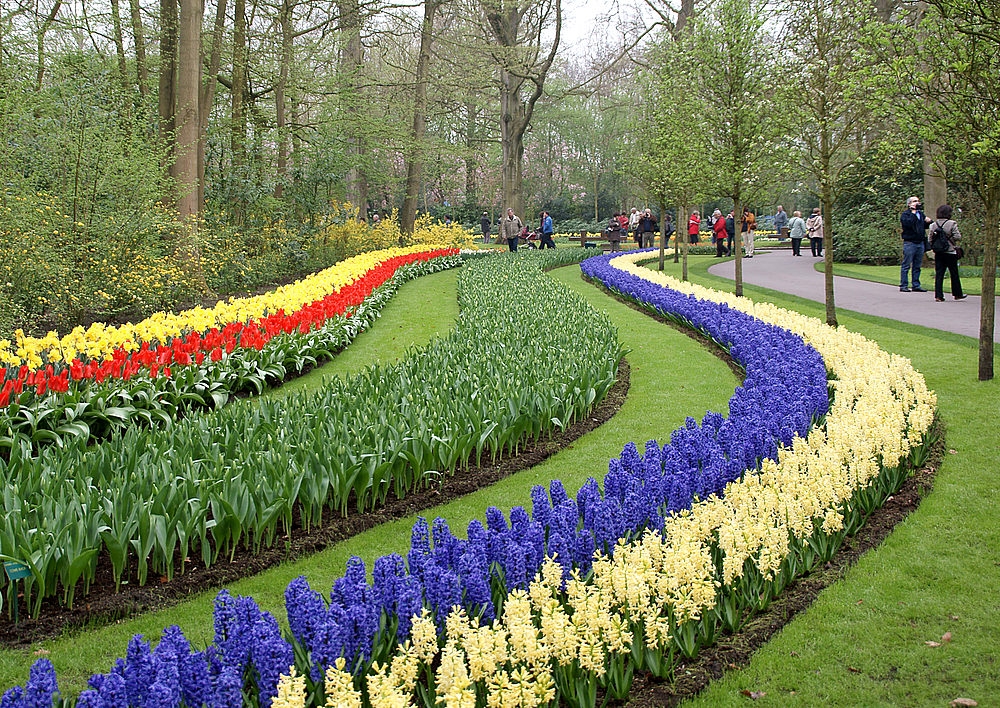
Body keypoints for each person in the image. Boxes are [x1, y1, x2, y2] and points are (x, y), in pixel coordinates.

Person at [928, 204, 967, 302]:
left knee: (939, 274)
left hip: (939, 252)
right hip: (950, 251)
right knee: (954, 273)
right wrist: (950, 240)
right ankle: (957, 293)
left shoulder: (933, 225)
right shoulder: (952, 223)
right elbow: (958, 236)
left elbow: (930, 239)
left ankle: (938, 295)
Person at [899, 196, 931, 292]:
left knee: (917, 265)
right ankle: (904, 285)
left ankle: (916, 285)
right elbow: (909, 224)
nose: (917, 203)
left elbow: (923, 226)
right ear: (909, 204)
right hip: (910, 243)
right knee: (906, 265)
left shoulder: (920, 214)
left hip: (920, 243)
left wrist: (928, 222)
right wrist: (913, 212)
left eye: (918, 201)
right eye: (914, 201)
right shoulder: (906, 215)